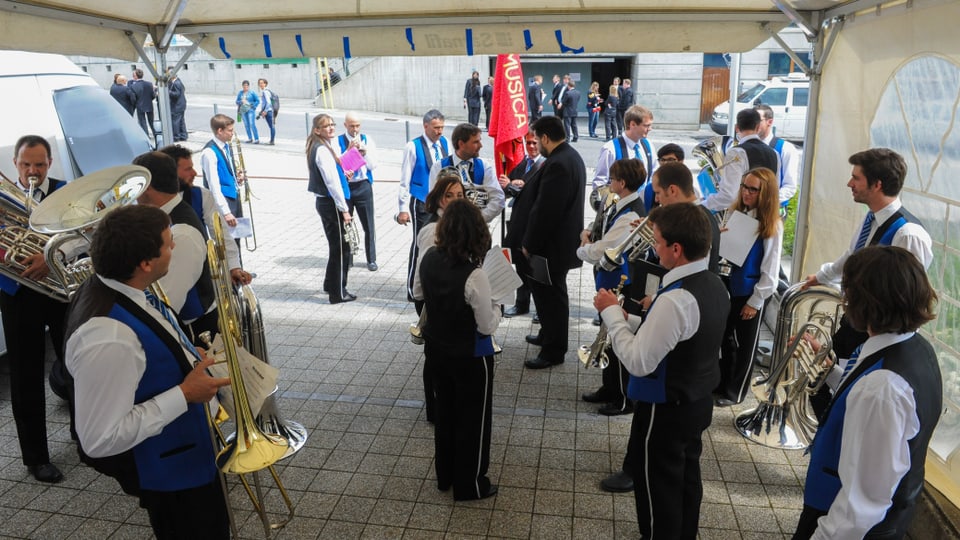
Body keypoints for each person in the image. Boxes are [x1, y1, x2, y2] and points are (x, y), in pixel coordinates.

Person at [64, 204, 231, 539]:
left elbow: (149, 342)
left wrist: (185, 354)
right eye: (169, 244)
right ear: (145, 263)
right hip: (171, 474)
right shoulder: (109, 337)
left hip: (187, 457)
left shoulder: (120, 287)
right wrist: (184, 394)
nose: (174, 249)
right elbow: (99, 439)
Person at [594, 203, 729, 539]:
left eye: (657, 242)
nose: (654, 249)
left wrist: (611, 315)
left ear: (676, 249)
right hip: (696, 400)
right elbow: (682, 337)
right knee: (686, 479)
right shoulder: (714, 285)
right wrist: (633, 320)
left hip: (664, 407)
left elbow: (639, 361)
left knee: (657, 485)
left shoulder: (675, 299)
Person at [793, 246, 941, 539]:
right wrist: (831, 371)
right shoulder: (913, 347)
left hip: (842, 521)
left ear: (863, 302)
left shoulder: (882, 389)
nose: (844, 300)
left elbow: (861, 505)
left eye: (847, 292)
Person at [801, 148, 932, 358]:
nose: (849, 183)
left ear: (877, 184)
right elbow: (852, 255)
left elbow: (908, 298)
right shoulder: (871, 217)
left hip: (876, 338)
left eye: (856, 178)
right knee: (826, 382)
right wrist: (822, 276)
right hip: (858, 324)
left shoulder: (908, 234)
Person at [416, 199, 501, 501]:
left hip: (436, 350)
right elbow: (487, 325)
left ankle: (445, 475)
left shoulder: (427, 258)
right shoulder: (474, 274)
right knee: (473, 422)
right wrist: (498, 305)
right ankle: (471, 484)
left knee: (446, 414)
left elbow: (417, 292)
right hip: (470, 356)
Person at [0, 135, 68, 483]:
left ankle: (86, 437)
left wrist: (49, 257)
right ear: (15, 164)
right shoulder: (2, 195)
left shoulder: (65, 191)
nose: (32, 171)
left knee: (75, 363)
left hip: (60, 289)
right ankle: (36, 458)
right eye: (26, 164)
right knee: (25, 375)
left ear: (49, 163)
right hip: (18, 292)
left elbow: (80, 235)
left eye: (39, 165)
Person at [505, 116, 585, 370]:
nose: (536, 144)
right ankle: (546, 335)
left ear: (546, 138)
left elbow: (546, 210)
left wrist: (529, 242)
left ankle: (554, 350)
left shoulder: (559, 163)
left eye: (537, 139)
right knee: (543, 292)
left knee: (552, 297)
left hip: (549, 247)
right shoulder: (567, 156)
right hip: (552, 245)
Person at [577, 159, 647, 416]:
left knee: (618, 337)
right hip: (610, 278)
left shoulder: (630, 213)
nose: (609, 183)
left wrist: (582, 247)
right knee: (606, 337)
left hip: (621, 281)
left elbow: (603, 249)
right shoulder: (622, 206)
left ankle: (623, 398)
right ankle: (610, 387)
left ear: (622, 183)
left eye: (612, 179)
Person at [715, 168, 783, 407]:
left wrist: (755, 301)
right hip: (729, 286)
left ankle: (736, 391)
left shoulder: (772, 224)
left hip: (748, 292)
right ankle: (722, 383)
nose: (746, 192)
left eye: (753, 189)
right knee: (726, 339)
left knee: (746, 346)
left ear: (765, 193)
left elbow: (771, 270)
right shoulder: (737, 213)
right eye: (744, 186)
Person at [132, 151, 218, 339]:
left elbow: (166, 303)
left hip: (195, 334)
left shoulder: (183, 235)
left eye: (134, 183)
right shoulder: (160, 217)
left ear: (145, 185)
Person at [411, 171, 465, 423]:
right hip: (434, 301)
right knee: (435, 357)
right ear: (439, 199)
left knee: (442, 356)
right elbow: (423, 271)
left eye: (460, 195)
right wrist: (424, 302)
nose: (455, 199)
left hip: (444, 298)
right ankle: (435, 409)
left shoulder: (454, 222)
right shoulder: (433, 228)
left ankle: (443, 405)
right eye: (449, 195)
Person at [159, 144, 252, 286]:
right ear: (171, 172)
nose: (195, 173)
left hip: (201, 278)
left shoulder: (202, 196)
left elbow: (222, 234)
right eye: (188, 169)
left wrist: (234, 266)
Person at [397, 109, 450, 304]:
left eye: (442, 128)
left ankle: (433, 284)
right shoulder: (413, 146)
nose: (439, 132)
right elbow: (405, 179)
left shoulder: (444, 143)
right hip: (420, 200)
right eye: (436, 128)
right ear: (425, 126)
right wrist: (402, 208)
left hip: (440, 201)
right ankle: (412, 287)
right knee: (420, 243)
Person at [307, 114, 355, 304]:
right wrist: (344, 209)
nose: (331, 128)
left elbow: (335, 171)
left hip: (327, 202)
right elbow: (332, 182)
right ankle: (338, 292)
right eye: (326, 126)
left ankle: (330, 284)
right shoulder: (322, 150)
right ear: (317, 130)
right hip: (331, 204)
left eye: (332, 125)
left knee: (337, 246)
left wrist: (347, 159)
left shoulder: (322, 146)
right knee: (341, 248)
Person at [500, 131, 544, 319]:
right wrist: (507, 185)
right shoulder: (523, 164)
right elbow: (509, 190)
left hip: (536, 224)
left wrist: (518, 186)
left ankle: (541, 309)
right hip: (519, 223)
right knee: (520, 266)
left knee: (539, 270)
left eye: (535, 143)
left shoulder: (546, 165)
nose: (532, 147)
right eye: (528, 143)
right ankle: (522, 303)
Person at [704, 108, 779, 212]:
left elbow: (728, 196)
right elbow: (775, 190)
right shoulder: (775, 154)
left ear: (737, 128)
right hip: (767, 216)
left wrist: (702, 205)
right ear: (758, 127)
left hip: (743, 218)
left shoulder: (737, 153)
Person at [428, 123, 505, 223]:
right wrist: (452, 220)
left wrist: (477, 219)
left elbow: (498, 198)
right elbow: (434, 200)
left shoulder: (484, 167)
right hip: (447, 228)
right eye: (475, 142)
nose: (480, 146)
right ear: (461, 144)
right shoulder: (439, 167)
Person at [593, 105, 657, 211]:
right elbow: (600, 184)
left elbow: (655, 174)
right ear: (632, 124)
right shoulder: (610, 148)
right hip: (619, 211)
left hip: (644, 209)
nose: (650, 129)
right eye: (646, 125)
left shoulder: (648, 145)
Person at [338, 112, 379, 271]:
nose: (355, 129)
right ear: (345, 125)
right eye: (351, 126)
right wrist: (349, 150)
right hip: (347, 187)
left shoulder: (367, 140)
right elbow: (338, 164)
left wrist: (364, 152)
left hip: (363, 185)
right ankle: (348, 258)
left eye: (357, 126)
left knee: (369, 225)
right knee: (346, 224)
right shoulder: (338, 141)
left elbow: (373, 165)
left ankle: (371, 259)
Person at [200, 114, 244, 228]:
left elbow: (224, 171)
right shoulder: (209, 153)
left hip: (233, 197)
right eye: (229, 130)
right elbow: (213, 185)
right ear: (220, 131)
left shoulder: (226, 146)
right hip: (224, 201)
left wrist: (235, 177)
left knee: (237, 240)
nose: (232, 133)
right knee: (229, 241)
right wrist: (226, 212)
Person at [755, 104, 799, 216]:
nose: (753, 124)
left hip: (772, 212)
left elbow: (790, 186)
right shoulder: (746, 147)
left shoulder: (786, 148)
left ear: (769, 122)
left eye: (758, 120)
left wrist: (766, 201)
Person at [129, 68, 156, 138]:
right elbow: (153, 95)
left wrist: (135, 103)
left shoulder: (133, 86)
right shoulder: (149, 84)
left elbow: (133, 98)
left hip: (140, 106)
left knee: (142, 122)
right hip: (149, 105)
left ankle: (146, 136)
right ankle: (155, 134)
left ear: (135, 76)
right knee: (151, 122)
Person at [235, 80, 260, 144]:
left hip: (250, 110)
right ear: (242, 86)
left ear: (248, 86)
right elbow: (237, 101)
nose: (245, 87)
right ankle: (250, 138)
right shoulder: (240, 93)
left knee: (252, 124)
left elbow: (257, 100)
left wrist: (253, 106)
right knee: (246, 125)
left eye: (246, 86)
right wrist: (241, 101)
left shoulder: (252, 93)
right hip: (243, 110)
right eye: (244, 86)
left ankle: (256, 139)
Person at [167, 69, 187, 142]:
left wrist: (168, 91)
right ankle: (183, 135)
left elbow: (177, 94)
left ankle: (176, 137)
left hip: (177, 106)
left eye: (169, 75)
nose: (168, 76)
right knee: (181, 121)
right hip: (181, 105)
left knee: (175, 122)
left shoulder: (176, 83)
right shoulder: (178, 81)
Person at [256, 78, 277, 146]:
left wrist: (265, 111)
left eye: (262, 83)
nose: (261, 84)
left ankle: (272, 141)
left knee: (272, 127)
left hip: (269, 111)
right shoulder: (267, 91)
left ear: (265, 83)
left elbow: (268, 103)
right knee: (272, 126)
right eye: (260, 83)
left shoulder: (265, 92)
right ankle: (272, 141)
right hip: (270, 111)